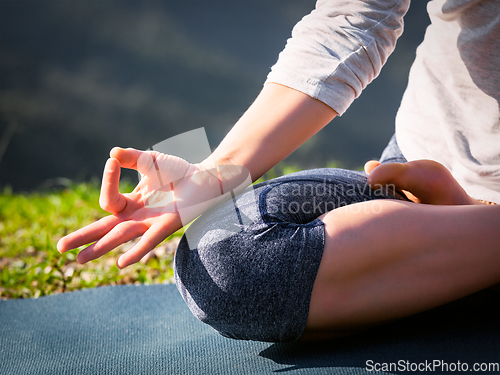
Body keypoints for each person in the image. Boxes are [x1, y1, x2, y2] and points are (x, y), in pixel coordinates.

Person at [57, 0, 500, 343]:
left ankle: (471, 231)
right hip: (410, 162)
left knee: (245, 285)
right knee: (225, 256)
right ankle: (467, 244)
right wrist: (212, 174)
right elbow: (353, 18)